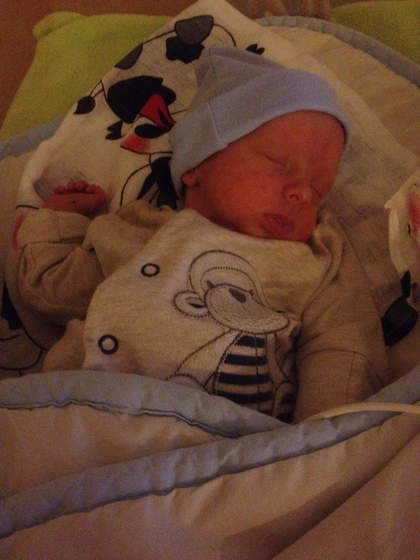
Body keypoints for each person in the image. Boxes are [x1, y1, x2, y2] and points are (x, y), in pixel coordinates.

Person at [14, 46, 389, 421]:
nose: (303, 194)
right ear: (197, 165)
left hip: (225, 441)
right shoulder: (137, 230)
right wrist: (58, 219)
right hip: (83, 416)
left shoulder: (315, 259)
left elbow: (345, 348)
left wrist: (320, 439)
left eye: (319, 190)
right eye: (278, 163)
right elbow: (52, 290)